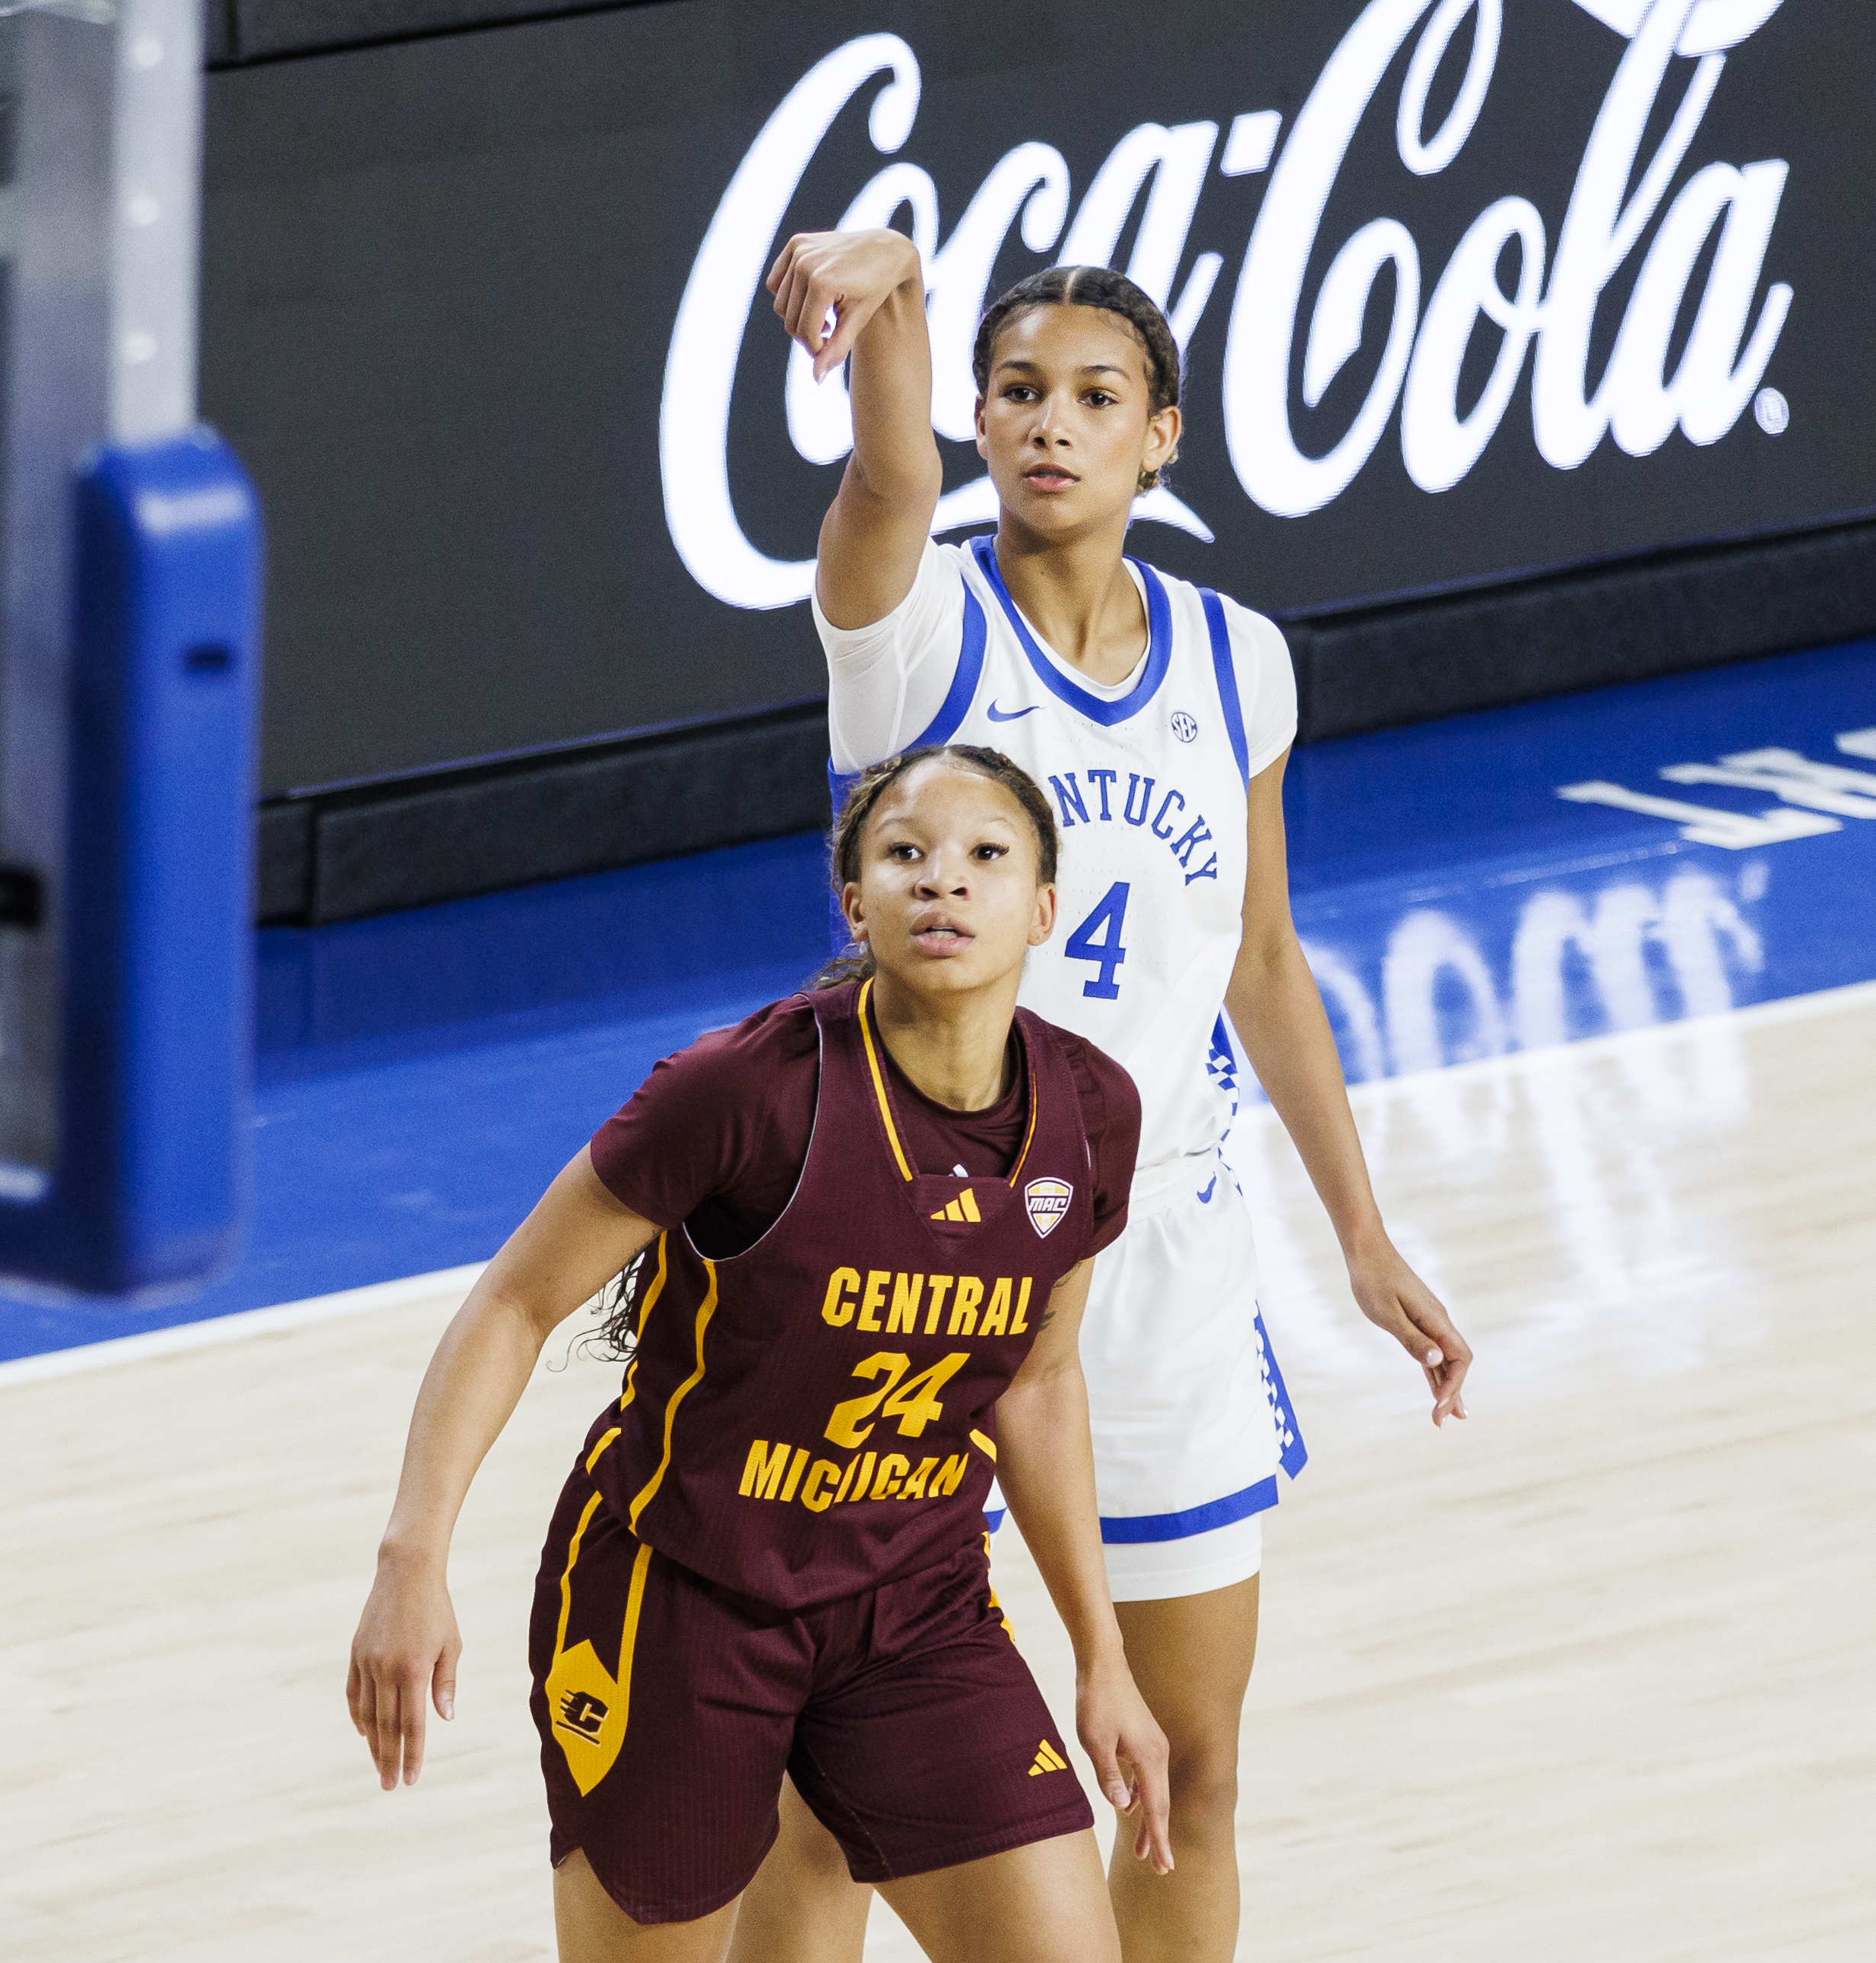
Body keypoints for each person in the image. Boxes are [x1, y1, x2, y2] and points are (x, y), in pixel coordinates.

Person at [733, 234, 1477, 1961]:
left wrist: (1362, 1233)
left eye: (1095, 396)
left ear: (1163, 437)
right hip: (917, 1271)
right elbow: (882, 467)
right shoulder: (912, 631)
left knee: (1185, 1770)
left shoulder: (1240, 662)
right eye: (1018, 392)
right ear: (981, 423)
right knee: (836, 1796)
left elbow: (1264, 960)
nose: (1049, 426)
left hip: (1164, 1288)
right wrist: (892, 283)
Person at [350, 745, 1171, 1962]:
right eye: (905, 854)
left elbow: (1038, 1384)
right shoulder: (743, 1092)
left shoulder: (1093, 1112)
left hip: (916, 1605)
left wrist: (1104, 1658)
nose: (943, 881)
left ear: (1045, 907)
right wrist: (412, 1557)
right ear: (854, 902)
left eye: (986, 856)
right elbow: (515, 1304)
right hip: (683, 1598)